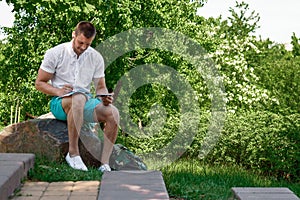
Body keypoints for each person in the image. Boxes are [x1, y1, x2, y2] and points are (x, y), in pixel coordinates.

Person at [35, 21, 119, 172]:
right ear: (73, 35)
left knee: (113, 112)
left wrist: (104, 97)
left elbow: (100, 87)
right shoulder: (55, 53)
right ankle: (73, 154)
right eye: (81, 42)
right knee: (78, 97)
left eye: (88, 44)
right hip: (60, 102)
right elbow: (39, 83)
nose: (83, 47)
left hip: (85, 101)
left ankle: (104, 164)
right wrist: (58, 91)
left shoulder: (96, 57)